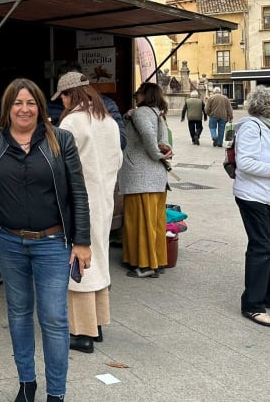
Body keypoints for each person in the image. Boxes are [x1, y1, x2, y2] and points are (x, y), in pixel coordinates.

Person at [0, 78, 91, 402]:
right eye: (17, 103)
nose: (24, 108)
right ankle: (26, 384)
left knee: (54, 317)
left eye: (30, 103)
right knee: (18, 313)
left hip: (52, 242)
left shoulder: (61, 139)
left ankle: (56, 393)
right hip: (9, 241)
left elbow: (78, 192)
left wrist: (82, 241)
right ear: (8, 108)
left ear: (40, 107)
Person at [54, 72, 123, 354]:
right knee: (98, 257)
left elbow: (59, 163)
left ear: (71, 95)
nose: (63, 103)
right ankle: (97, 325)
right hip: (104, 199)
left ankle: (81, 332)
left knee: (77, 262)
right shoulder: (108, 121)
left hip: (78, 201)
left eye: (63, 97)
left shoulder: (72, 121)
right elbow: (118, 159)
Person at [232, 86, 270, 328]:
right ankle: (253, 304)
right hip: (253, 197)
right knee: (261, 248)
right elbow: (245, 163)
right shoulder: (252, 127)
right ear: (269, 106)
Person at [118, 82, 172, 278]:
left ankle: (144, 265)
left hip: (140, 176)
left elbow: (148, 136)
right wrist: (163, 152)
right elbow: (164, 140)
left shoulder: (140, 113)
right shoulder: (159, 114)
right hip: (157, 177)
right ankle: (156, 261)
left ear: (146, 95)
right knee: (155, 222)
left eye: (138, 93)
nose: (135, 96)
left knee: (139, 222)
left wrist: (156, 154)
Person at [47, 61, 126, 150]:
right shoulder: (52, 107)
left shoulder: (106, 104)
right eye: (64, 88)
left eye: (72, 86)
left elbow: (121, 142)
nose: (67, 94)